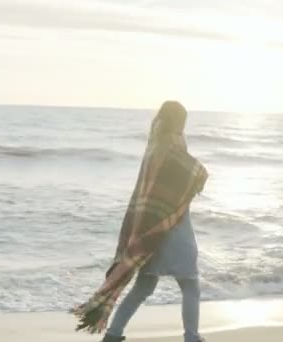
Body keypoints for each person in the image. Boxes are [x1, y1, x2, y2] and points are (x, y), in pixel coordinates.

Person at [72, 101, 208, 342]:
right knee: (190, 285)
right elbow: (190, 176)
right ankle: (192, 338)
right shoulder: (173, 144)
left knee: (144, 287)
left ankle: (113, 335)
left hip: (148, 230)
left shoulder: (154, 144)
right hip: (171, 227)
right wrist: (198, 176)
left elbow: (149, 191)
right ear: (179, 121)